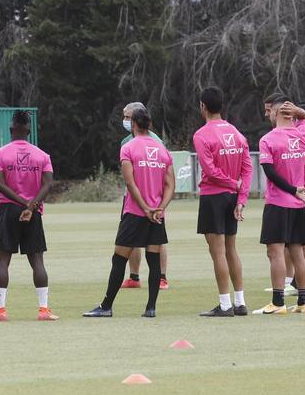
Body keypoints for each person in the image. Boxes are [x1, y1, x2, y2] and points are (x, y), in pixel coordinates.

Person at [83, 107, 173, 318]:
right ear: (149, 125)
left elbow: (130, 183)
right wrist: (160, 208)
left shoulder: (128, 148)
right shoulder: (162, 150)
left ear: (133, 124)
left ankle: (106, 306)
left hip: (135, 213)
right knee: (153, 261)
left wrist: (144, 207)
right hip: (157, 215)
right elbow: (171, 185)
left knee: (119, 259)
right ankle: (150, 308)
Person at [0, 111, 56, 322]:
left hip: (8, 209)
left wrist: (23, 203)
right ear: (29, 130)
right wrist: (31, 206)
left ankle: (0, 311)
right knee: (37, 260)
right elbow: (48, 184)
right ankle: (43, 310)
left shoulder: (0, 154)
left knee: (2, 260)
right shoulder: (42, 156)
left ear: (11, 129)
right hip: (33, 211)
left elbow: (0, 184)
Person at [192, 87, 252, 317]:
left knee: (217, 252)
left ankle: (225, 304)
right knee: (231, 250)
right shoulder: (236, 133)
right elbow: (247, 168)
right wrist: (241, 198)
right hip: (232, 198)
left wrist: (231, 183)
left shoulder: (202, 135)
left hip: (214, 195)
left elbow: (210, 170)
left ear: (203, 107)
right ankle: (240, 301)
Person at [252, 98, 305, 315]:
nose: (267, 115)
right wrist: (299, 111)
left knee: (275, 252)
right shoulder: (303, 135)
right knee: (297, 251)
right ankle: (303, 301)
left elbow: (270, 172)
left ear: (277, 112)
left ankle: (278, 303)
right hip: (299, 204)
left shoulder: (268, 139)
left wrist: (291, 189)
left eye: (270, 112)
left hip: (279, 202)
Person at [120, 101, 168, 291]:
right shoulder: (126, 141)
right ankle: (134, 276)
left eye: (128, 117)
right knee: (132, 238)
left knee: (157, 239)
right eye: (123, 117)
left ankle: (162, 277)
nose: (125, 121)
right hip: (132, 198)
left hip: (153, 197)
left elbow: (165, 170)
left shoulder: (155, 141)